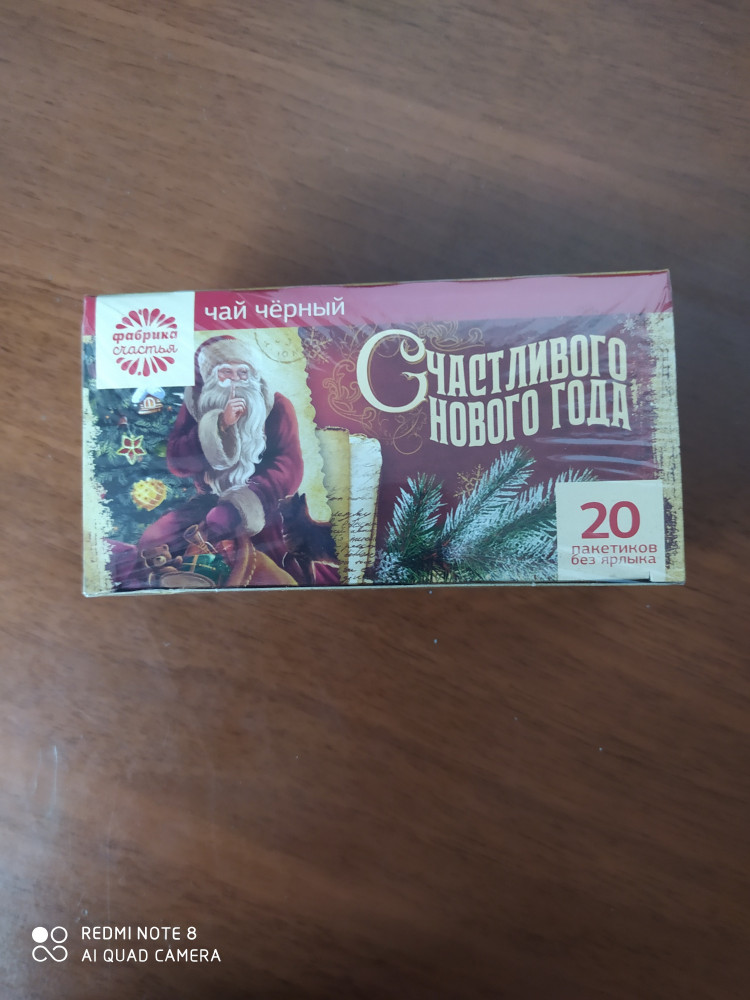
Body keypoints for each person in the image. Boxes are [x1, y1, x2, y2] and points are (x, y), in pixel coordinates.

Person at [120, 335, 305, 587]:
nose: (235, 380)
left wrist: (243, 502)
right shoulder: (198, 404)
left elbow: (288, 467)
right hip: (208, 501)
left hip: (260, 506)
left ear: (253, 375)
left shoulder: (277, 406)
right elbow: (177, 461)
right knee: (154, 541)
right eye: (226, 372)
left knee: (260, 569)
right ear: (211, 376)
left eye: (243, 373)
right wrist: (220, 425)